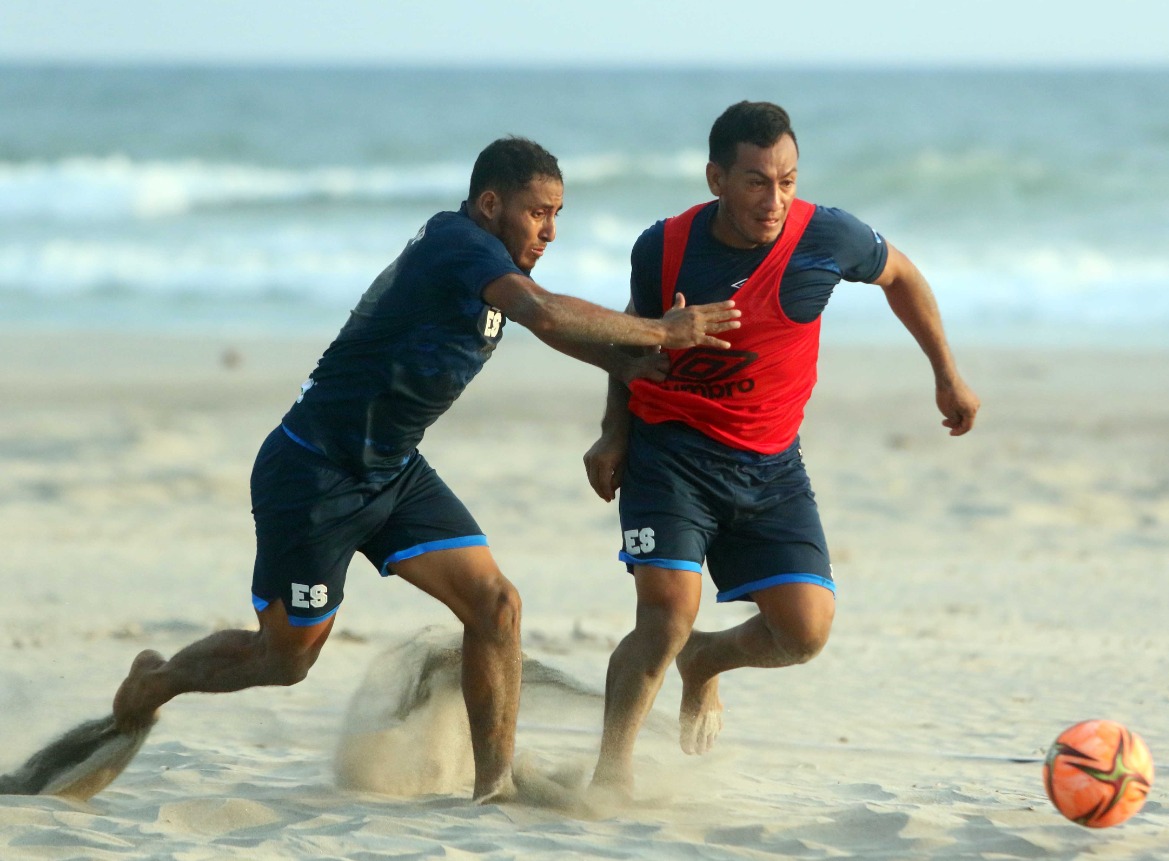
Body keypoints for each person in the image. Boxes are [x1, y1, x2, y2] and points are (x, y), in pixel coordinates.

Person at [110, 136, 741, 803]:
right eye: (538, 212)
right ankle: (159, 679)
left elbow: (545, 323)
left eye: (560, 214)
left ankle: (492, 786)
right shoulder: (460, 245)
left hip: (392, 471)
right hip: (312, 475)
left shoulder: (491, 263)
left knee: (497, 605)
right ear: (491, 203)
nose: (551, 230)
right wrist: (663, 332)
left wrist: (617, 364)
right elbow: (541, 310)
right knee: (285, 657)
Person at [582, 102, 981, 793]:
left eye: (788, 181)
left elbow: (904, 278)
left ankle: (704, 661)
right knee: (666, 615)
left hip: (770, 462)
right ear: (716, 179)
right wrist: (615, 430)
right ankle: (610, 774)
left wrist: (946, 372)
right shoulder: (664, 247)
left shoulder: (827, 236)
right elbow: (630, 343)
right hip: (670, 451)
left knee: (805, 631)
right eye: (756, 182)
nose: (775, 200)